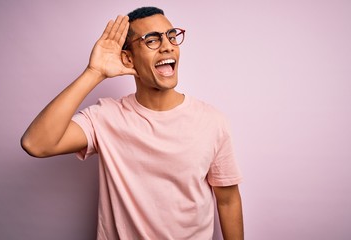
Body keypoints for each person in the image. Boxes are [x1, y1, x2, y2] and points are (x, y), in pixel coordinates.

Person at [21, 6, 244, 240]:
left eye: (171, 36)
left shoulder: (212, 121)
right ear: (128, 58)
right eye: (152, 40)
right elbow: (36, 144)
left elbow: (228, 201)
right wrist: (94, 72)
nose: (168, 46)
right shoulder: (105, 117)